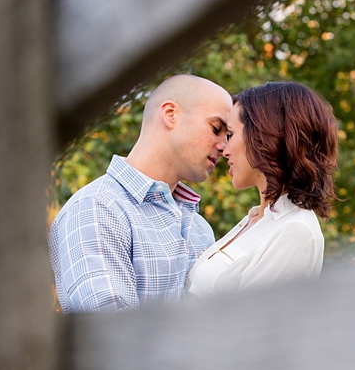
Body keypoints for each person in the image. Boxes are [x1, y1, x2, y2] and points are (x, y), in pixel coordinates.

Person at [49, 74, 232, 312]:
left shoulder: (200, 228)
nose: (224, 145)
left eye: (228, 136)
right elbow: (110, 335)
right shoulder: (96, 209)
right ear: (170, 114)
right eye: (216, 128)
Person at [185, 81, 338, 297]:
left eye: (230, 135)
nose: (224, 150)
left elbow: (246, 327)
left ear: (264, 136)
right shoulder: (258, 219)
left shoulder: (294, 231)